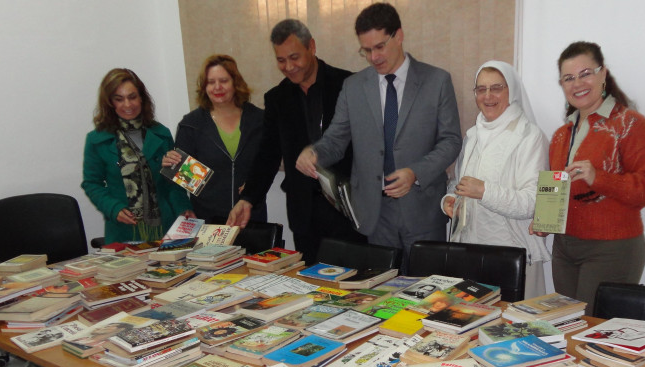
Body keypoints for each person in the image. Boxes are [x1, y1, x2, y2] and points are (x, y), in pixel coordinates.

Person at [295, 3, 461, 271]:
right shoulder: (353, 87)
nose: (373, 57)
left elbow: (451, 141)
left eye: (380, 46)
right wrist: (314, 152)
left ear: (399, 36)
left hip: (422, 210)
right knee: (383, 294)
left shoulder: (437, 81)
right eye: (366, 50)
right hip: (375, 212)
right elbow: (336, 139)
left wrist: (415, 173)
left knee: (426, 294)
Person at [539, 41, 645, 313]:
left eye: (585, 73)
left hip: (611, 249)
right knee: (566, 327)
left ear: (603, 74)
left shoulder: (631, 124)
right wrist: (545, 220)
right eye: (568, 78)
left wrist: (599, 177)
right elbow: (561, 191)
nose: (577, 84)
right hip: (564, 249)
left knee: (594, 332)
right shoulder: (562, 134)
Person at [226, 19, 364, 263]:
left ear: (311, 47)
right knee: (312, 286)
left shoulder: (348, 85)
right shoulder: (277, 98)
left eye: (294, 57)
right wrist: (248, 199)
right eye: (281, 60)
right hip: (304, 214)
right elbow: (267, 155)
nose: (289, 67)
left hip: (348, 210)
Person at [442, 61, 549, 299]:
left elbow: (533, 203)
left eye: (496, 88)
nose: (488, 96)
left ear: (511, 90)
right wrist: (451, 199)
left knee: (510, 330)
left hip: (512, 257)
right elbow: (458, 184)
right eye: (481, 89)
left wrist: (484, 191)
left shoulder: (529, 136)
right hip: (470, 253)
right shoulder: (472, 135)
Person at [82, 68, 194, 243]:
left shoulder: (161, 133)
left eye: (132, 97)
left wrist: (184, 208)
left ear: (142, 97)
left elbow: (174, 183)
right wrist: (113, 209)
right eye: (119, 99)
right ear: (110, 102)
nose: (128, 105)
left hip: (165, 226)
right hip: (124, 230)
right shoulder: (97, 140)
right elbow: (91, 184)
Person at [164, 55, 266, 224]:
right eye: (211, 82)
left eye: (224, 80)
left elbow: (267, 164)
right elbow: (177, 181)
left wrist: (255, 184)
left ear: (235, 83)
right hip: (208, 221)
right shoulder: (191, 125)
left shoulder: (259, 120)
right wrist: (184, 208)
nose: (217, 87)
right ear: (204, 87)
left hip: (250, 218)